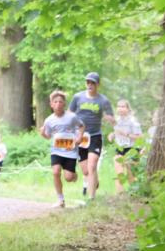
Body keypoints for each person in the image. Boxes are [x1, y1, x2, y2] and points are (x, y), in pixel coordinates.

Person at [69, 72, 115, 200]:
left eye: (93, 82)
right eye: (88, 82)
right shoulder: (77, 97)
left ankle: (92, 198)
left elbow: (112, 118)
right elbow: (69, 113)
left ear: (97, 85)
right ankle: (94, 181)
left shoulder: (103, 100)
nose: (90, 84)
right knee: (86, 171)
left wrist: (109, 119)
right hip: (80, 136)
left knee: (92, 165)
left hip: (95, 136)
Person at [40, 90, 85, 209]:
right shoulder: (49, 120)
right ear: (51, 104)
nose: (58, 104)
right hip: (56, 151)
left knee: (69, 178)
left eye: (61, 101)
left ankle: (74, 176)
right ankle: (60, 200)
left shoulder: (72, 117)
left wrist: (80, 136)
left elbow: (81, 126)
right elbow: (48, 136)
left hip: (70, 151)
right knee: (55, 172)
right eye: (55, 102)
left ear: (64, 104)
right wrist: (43, 134)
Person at [109, 99, 143, 193]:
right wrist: (112, 135)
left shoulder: (133, 121)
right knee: (119, 173)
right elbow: (117, 132)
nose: (120, 109)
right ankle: (120, 195)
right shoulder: (117, 121)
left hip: (132, 149)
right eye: (118, 106)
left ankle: (135, 194)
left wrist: (126, 134)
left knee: (131, 176)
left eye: (123, 106)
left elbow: (140, 137)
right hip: (120, 149)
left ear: (128, 109)